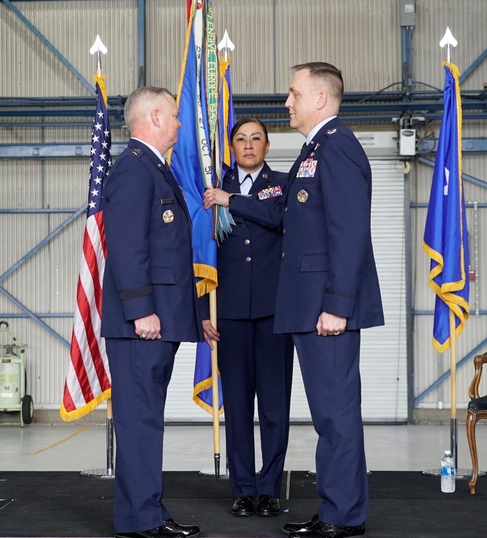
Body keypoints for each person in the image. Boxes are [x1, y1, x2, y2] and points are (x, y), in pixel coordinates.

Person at [101, 86, 219, 538]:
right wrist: (141, 311)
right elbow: (128, 248)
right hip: (141, 326)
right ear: (153, 116)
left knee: (144, 421)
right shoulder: (133, 169)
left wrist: (192, 315)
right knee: (139, 423)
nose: (179, 123)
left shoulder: (154, 169)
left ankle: (140, 518)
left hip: (159, 320)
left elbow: (168, 255)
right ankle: (145, 519)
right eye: (173, 115)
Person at [276, 62, 384, 538]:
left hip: (327, 309)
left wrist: (338, 304)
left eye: (294, 93)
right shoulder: (316, 147)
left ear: (320, 98)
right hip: (310, 305)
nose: (287, 102)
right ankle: (337, 509)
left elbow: (349, 232)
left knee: (335, 414)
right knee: (328, 414)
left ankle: (343, 516)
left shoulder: (337, 147)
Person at [202, 118, 293, 519]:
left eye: (256, 138)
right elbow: (200, 251)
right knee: (238, 406)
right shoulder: (212, 186)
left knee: (274, 406)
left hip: (275, 313)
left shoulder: (282, 184)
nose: (249, 144)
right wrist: (201, 310)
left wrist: (231, 200)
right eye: (240, 138)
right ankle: (243, 490)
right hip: (231, 314)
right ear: (231, 146)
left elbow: (277, 218)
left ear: (267, 146)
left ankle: (269, 489)